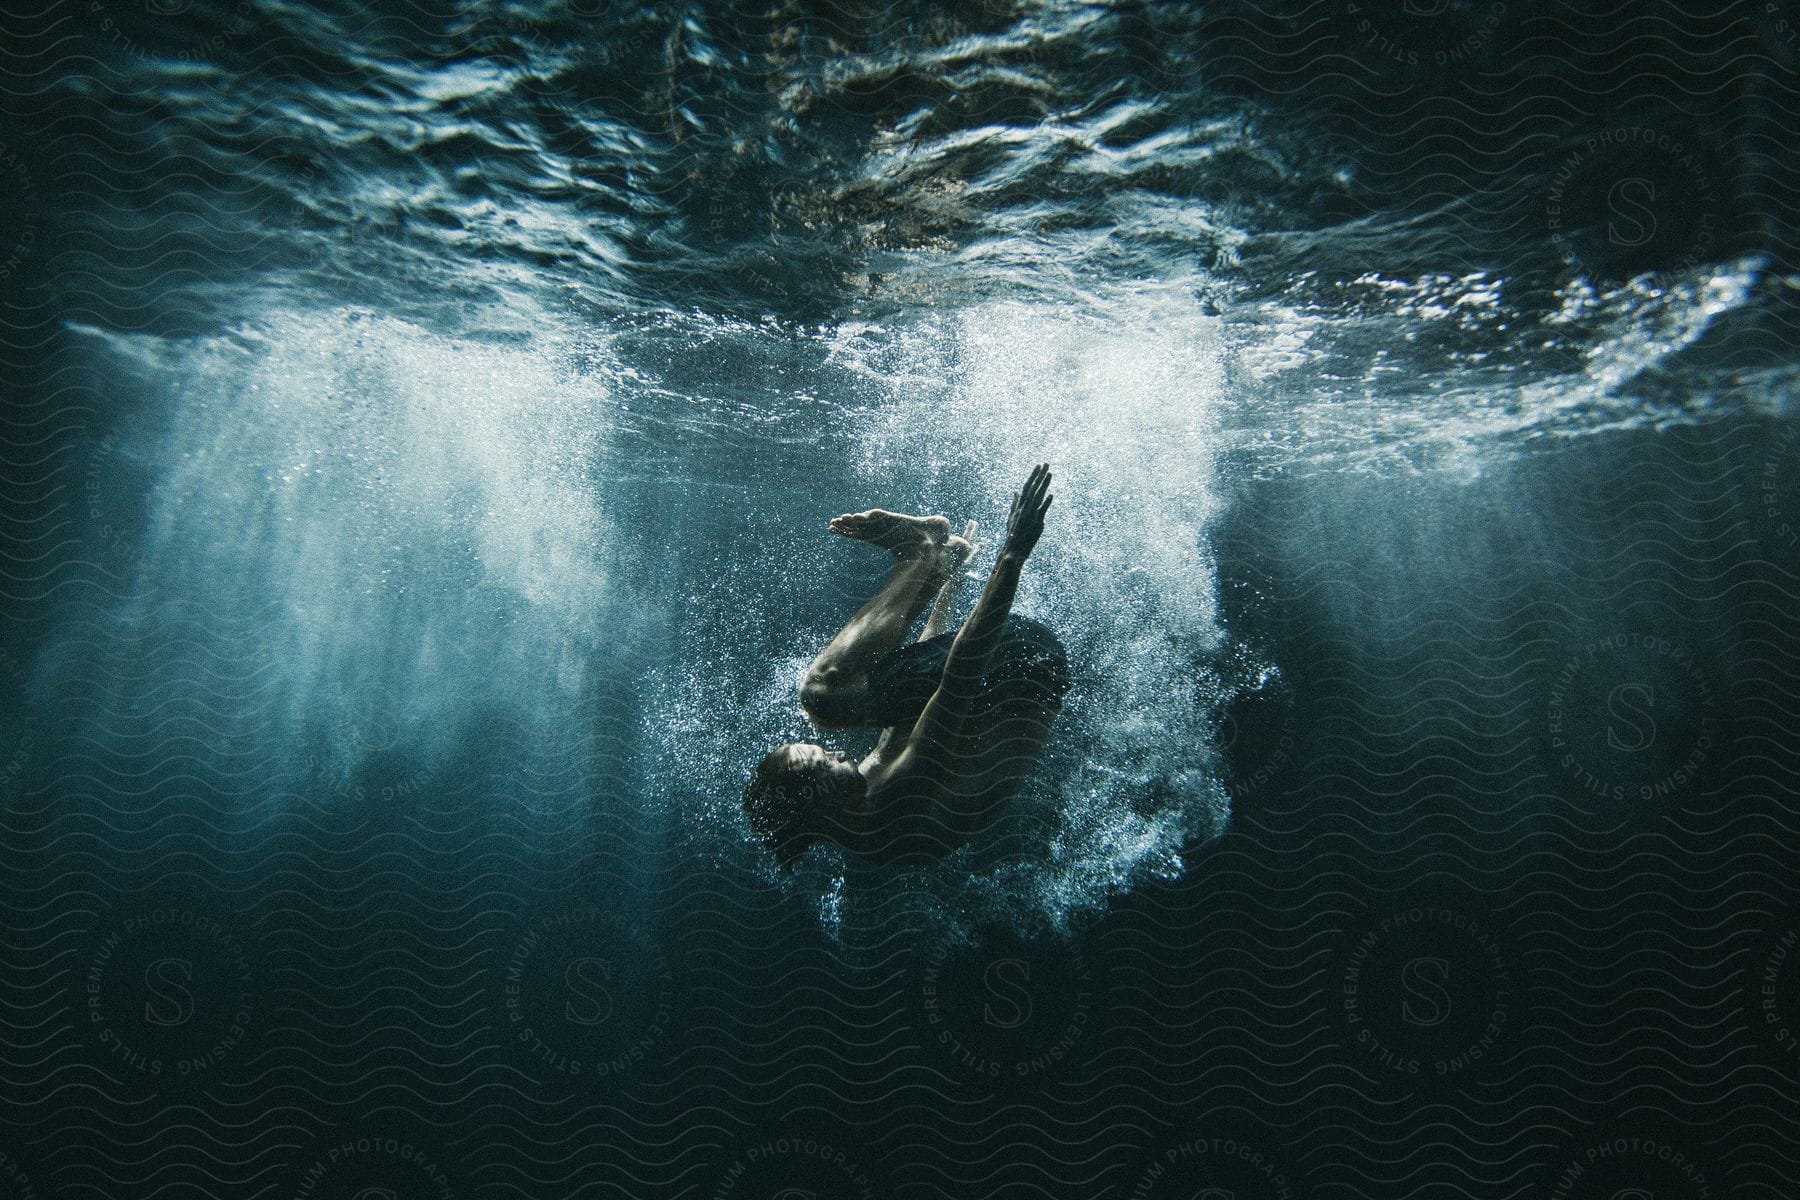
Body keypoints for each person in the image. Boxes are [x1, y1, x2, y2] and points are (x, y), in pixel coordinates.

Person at [743, 463, 1069, 868]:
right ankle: (919, 551)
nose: (838, 751)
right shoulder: (893, 803)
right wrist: (1013, 553)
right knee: (821, 694)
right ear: (813, 800)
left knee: (828, 708)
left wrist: (952, 581)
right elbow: (956, 680)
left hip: (1018, 678)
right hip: (1021, 670)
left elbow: (913, 699)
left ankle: (937, 557)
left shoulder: (856, 811)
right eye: (824, 759)